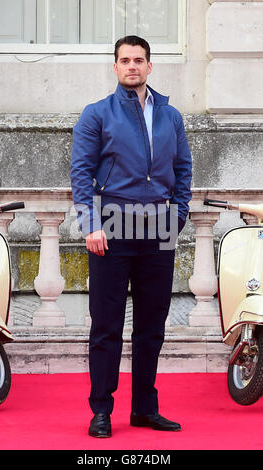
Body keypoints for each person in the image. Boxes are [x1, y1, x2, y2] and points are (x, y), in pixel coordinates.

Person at [70, 35, 192, 438]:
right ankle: (101, 410)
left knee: (151, 324)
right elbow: (81, 174)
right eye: (124, 60)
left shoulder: (171, 116)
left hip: (158, 225)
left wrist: (179, 214)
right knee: (106, 324)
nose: (132, 66)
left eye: (139, 60)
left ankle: (144, 409)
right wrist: (90, 223)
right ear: (116, 66)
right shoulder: (97, 114)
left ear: (150, 66)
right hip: (112, 224)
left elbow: (184, 169)